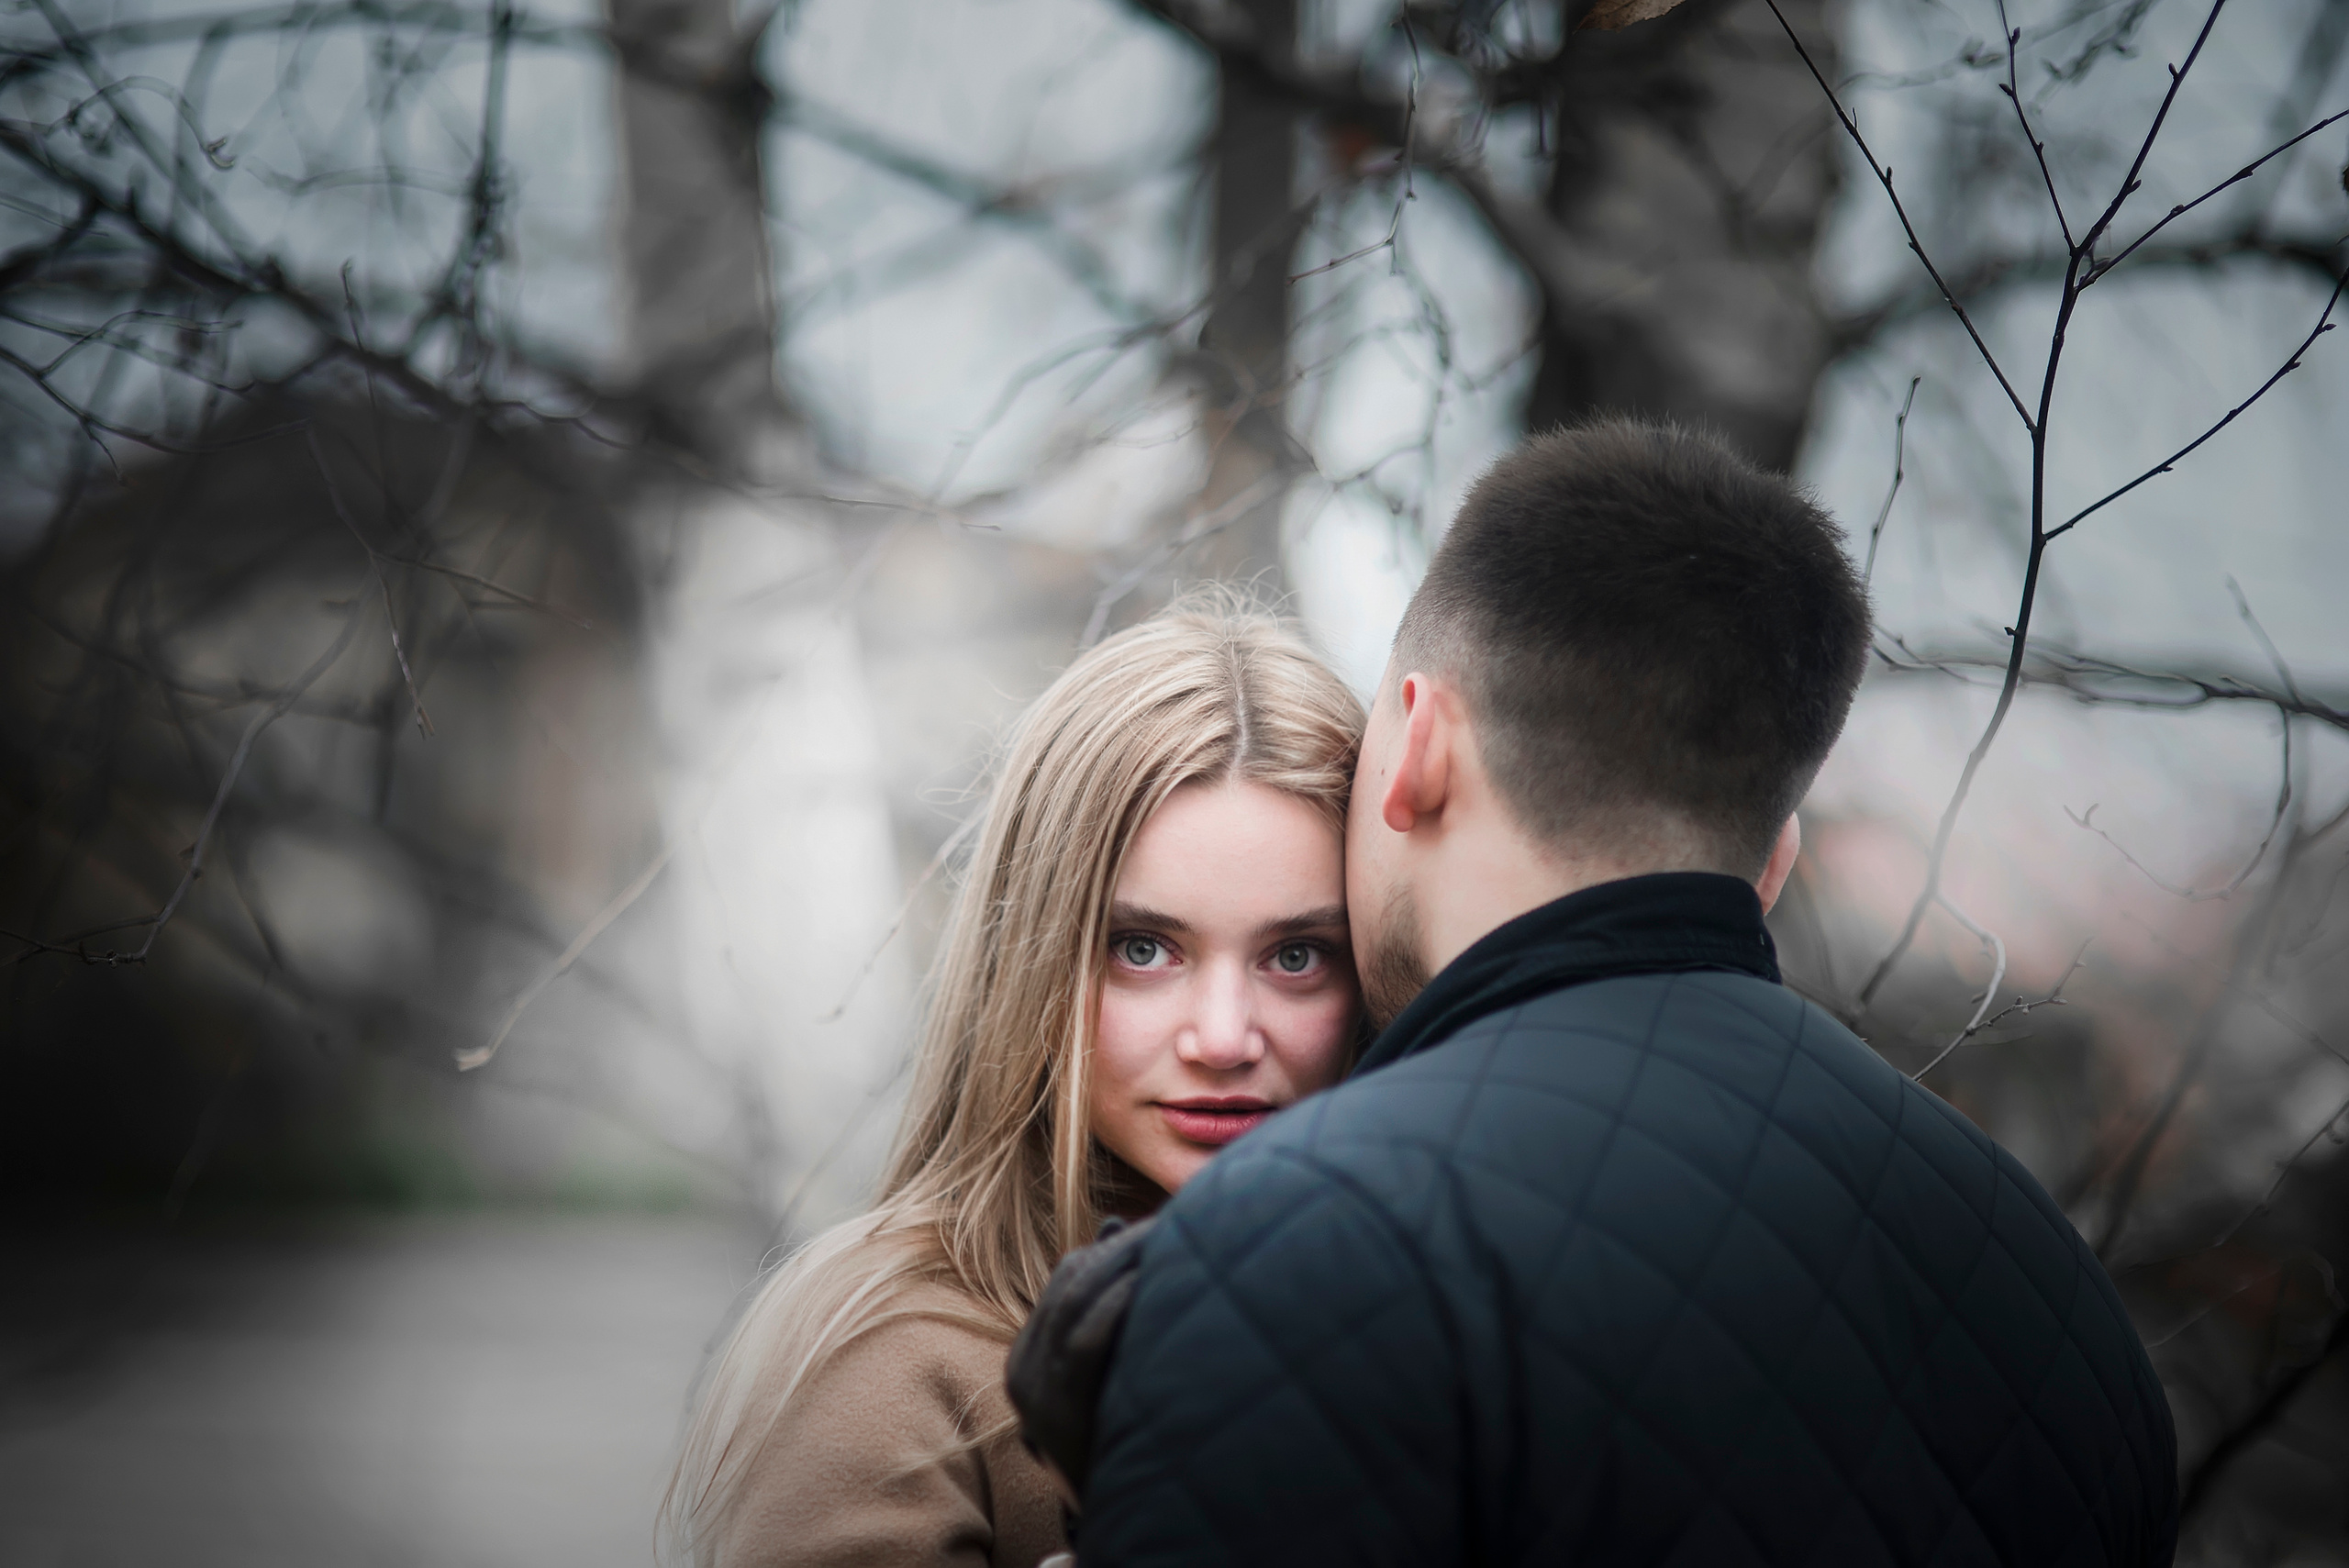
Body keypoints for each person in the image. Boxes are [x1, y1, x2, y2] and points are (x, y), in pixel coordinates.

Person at [1050, 420, 2179, 1565]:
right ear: (1773, 856)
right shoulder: (2051, 1291)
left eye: (1295, 954)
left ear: (1418, 749)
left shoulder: (1302, 1251)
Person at [661, 603, 1367, 1568]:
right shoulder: (890, 1359)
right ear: (1030, 958)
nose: (1222, 1036)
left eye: (1296, 954)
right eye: (1143, 947)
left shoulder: (1431, 1309)